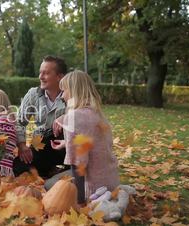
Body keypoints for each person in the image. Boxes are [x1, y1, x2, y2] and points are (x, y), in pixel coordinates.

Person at [47, 70, 120, 204]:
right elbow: (95, 143)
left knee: (49, 185)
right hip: (112, 183)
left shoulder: (73, 118)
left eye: (64, 91)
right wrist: (66, 142)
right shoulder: (98, 114)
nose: (62, 96)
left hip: (93, 190)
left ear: (74, 92)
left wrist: (79, 201)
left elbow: (78, 165)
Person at [14, 55, 68, 178]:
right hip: (40, 146)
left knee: (61, 131)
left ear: (60, 76)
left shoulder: (70, 95)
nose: (40, 77)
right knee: (18, 167)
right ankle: (49, 170)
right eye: (40, 73)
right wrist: (22, 145)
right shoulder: (33, 94)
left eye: (46, 73)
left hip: (63, 145)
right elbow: (19, 122)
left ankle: (65, 170)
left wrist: (65, 118)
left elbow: (83, 118)